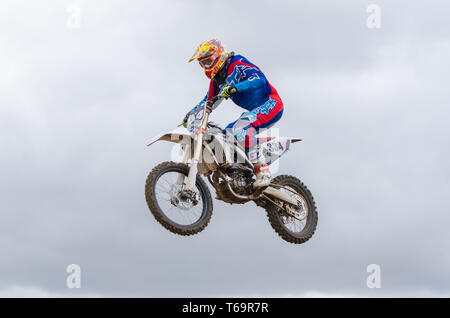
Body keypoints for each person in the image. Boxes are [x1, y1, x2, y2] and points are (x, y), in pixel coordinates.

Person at [184, 39, 284, 188]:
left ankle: (263, 171)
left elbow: (259, 79)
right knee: (226, 134)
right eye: (203, 63)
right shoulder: (216, 81)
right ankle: (242, 171)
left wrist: (236, 87)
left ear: (218, 56)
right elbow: (208, 102)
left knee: (241, 128)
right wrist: (191, 114)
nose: (206, 66)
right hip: (254, 110)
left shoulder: (236, 63)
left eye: (208, 61)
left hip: (270, 102)